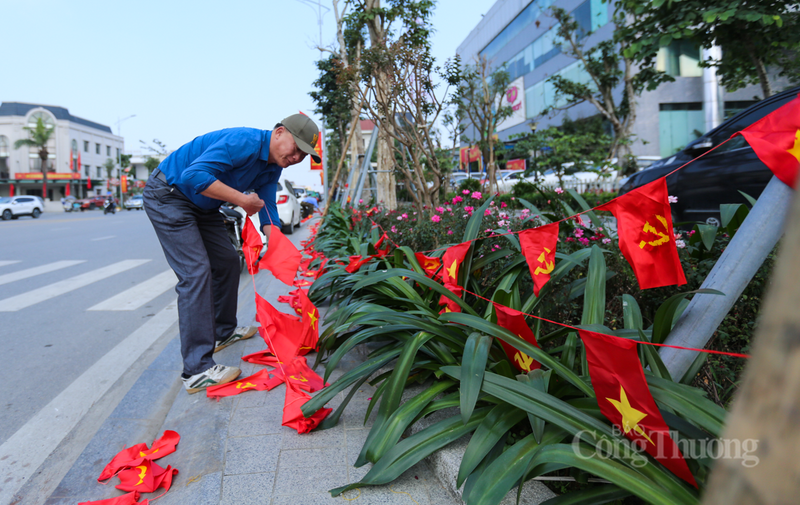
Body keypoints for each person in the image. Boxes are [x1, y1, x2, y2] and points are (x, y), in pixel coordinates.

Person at [143, 114, 321, 394]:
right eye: (295, 148)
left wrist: (276, 243)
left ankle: (223, 332)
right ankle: (196, 370)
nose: (297, 157)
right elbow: (193, 174)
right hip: (170, 196)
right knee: (196, 273)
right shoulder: (245, 141)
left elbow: (267, 204)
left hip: (204, 206)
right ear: (279, 132)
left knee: (227, 261)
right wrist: (241, 200)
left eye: (304, 154)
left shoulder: (272, 166)